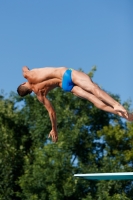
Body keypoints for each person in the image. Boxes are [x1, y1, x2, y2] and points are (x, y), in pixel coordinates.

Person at [17, 66, 133, 142]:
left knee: (92, 99)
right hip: (67, 74)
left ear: (30, 92)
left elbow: (52, 112)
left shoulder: (39, 95)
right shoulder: (27, 75)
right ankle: (116, 104)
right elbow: (24, 68)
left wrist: (54, 129)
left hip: (66, 86)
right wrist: (26, 68)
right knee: (93, 88)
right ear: (23, 82)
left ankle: (124, 115)